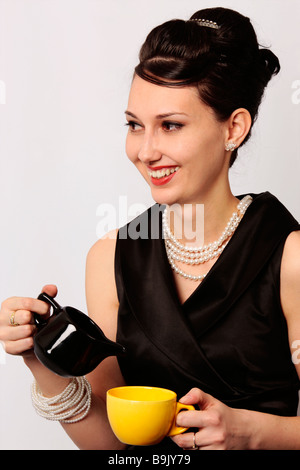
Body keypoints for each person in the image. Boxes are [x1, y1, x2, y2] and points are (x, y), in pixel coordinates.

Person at [1, 7, 300, 450]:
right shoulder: (111, 258)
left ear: (233, 128)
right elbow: (111, 443)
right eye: (135, 125)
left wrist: (247, 432)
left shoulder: (290, 256)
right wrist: (41, 361)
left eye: (171, 126)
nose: (145, 150)